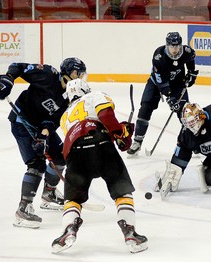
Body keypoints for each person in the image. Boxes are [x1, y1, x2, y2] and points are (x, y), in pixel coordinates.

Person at [52, 79, 147, 253]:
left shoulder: (65, 116)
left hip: (76, 155)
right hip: (101, 146)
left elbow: (76, 136)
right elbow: (105, 116)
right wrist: (121, 133)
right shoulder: (94, 96)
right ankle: (130, 232)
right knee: (122, 192)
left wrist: (118, 133)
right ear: (85, 89)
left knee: (72, 200)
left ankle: (69, 229)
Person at [0, 57, 87, 229]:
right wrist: (8, 79)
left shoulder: (69, 97)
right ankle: (23, 209)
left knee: (60, 157)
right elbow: (18, 67)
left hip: (39, 126)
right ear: (68, 72)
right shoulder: (47, 75)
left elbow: (52, 121)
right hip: (22, 122)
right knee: (36, 164)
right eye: (77, 73)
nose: (80, 77)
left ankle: (49, 194)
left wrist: (43, 136)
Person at [127, 31, 198, 156]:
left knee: (184, 111)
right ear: (167, 46)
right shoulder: (159, 56)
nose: (175, 49)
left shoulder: (187, 51)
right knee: (145, 107)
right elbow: (161, 82)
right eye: (172, 46)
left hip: (177, 84)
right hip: (156, 84)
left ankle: (192, 141)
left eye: (177, 46)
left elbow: (190, 60)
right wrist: (170, 97)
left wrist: (191, 74)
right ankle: (137, 141)